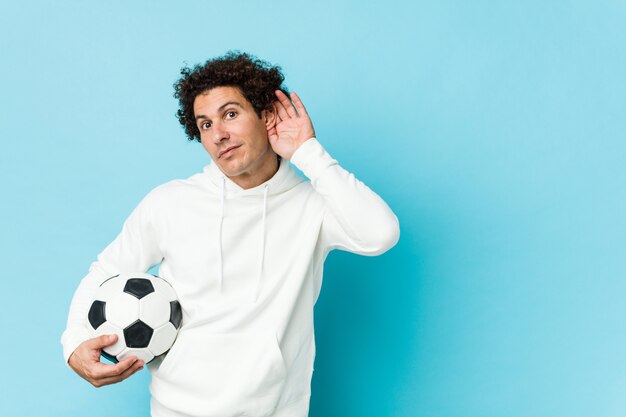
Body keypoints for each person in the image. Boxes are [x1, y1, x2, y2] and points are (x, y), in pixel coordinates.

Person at [61, 51, 400, 417]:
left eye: (231, 114)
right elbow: (105, 271)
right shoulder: (170, 202)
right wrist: (75, 342)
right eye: (205, 124)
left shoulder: (312, 206)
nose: (219, 134)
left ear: (266, 115)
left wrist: (308, 152)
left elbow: (380, 234)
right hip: (176, 410)